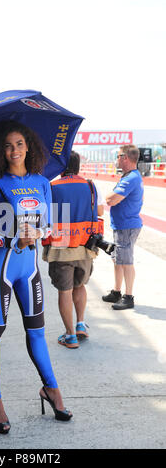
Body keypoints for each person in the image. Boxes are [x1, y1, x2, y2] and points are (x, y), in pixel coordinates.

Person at [0, 120, 72, 435]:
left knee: (37, 333)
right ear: (0, 151)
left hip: (29, 269)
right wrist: (12, 234)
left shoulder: (42, 183)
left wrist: (39, 232)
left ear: (28, 145)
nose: (14, 150)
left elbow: (51, 226)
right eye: (7, 145)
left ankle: (52, 389)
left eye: (19, 143)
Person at [42, 151, 104, 349]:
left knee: (65, 291)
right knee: (80, 286)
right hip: (86, 248)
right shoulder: (91, 185)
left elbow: (44, 216)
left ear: (61, 167)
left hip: (61, 250)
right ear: (77, 167)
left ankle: (70, 336)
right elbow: (100, 211)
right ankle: (80, 324)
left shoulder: (52, 188)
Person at [102, 145, 143, 310]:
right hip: (121, 224)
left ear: (125, 157)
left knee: (126, 261)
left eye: (118, 156)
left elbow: (111, 199)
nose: (117, 159)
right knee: (118, 260)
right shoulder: (128, 176)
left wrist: (107, 197)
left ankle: (129, 296)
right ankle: (117, 291)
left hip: (126, 225)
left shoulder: (130, 178)